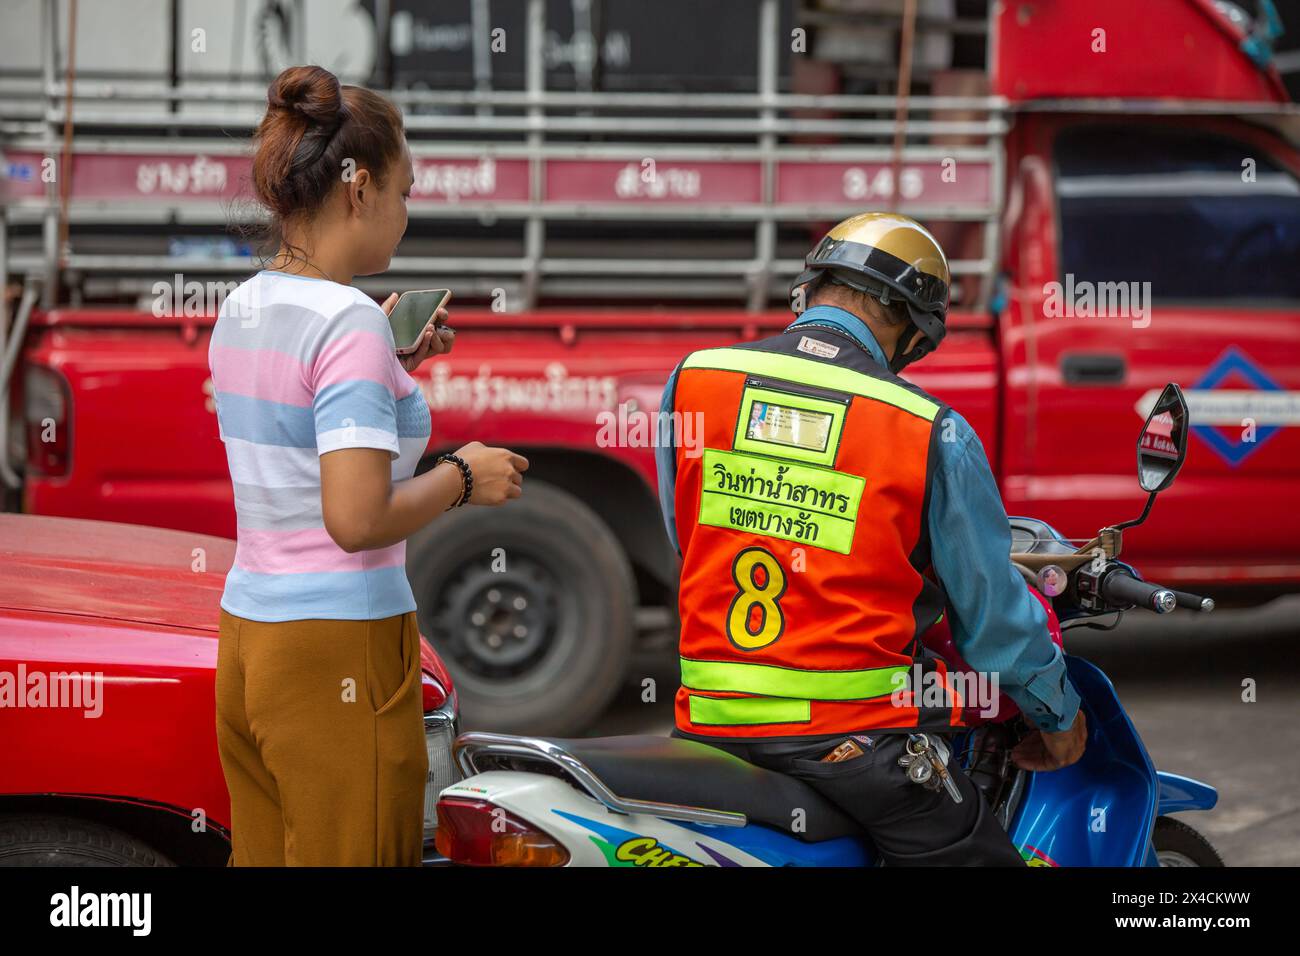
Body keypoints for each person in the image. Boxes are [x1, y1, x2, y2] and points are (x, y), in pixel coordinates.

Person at [654, 212, 1086, 865]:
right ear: (910, 323)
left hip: (708, 722)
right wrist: (1059, 713)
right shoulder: (925, 426)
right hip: (850, 740)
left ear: (815, 286)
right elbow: (994, 623)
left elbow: (689, 538)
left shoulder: (695, 378)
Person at [208, 65, 528, 865]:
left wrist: (387, 363)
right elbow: (353, 521)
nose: (406, 212)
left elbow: (298, 433)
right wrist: (463, 478)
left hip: (251, 643)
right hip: (338, 648)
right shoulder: (346, 322)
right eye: (404, 190)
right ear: (359, 191)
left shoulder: (246, 304)